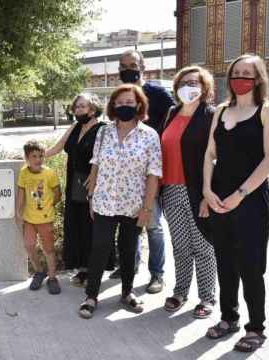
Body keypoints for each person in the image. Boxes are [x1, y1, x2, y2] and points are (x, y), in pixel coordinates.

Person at [203, 54, 269, 353]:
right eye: (236, 72)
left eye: (248, 73)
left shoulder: (268, 110)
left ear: (258, 78)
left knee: (250, 266)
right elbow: (210, 153)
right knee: (224, 263)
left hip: (250, 200)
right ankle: (228, 317)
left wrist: (240, 194)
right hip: (220, 198)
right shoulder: (221, 110)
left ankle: (255, 327)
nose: (241, 78)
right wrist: (208, 190)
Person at [79, 84, 162, 319]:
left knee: (128, 250)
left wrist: (147, 208)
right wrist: (92, 196)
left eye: (129, 102)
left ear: (138, 105)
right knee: (99, 249)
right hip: (105, 201)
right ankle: (91, 296)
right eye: (119, 102)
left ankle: (126, 293)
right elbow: (95, 163)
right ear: (113, 106)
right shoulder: (104, 132)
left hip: (133, 205)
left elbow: (153, 174)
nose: (124, 106)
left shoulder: (150, 136)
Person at [160, 66, 217, 318]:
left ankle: (207, 297)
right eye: (183, 82)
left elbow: (216, 158)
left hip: (198, 191)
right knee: (180, 245)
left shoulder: (211, 114)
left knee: (203, 247)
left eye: (194, 82)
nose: (188, 86)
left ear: (204, 87)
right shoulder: (172, 113)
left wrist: (209, 194)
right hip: (171, 190)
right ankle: (180, 291)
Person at [117, 49, 173, 293]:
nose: (127, 69)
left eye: (132, 64)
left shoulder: (158, 94)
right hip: (127, 172)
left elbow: (174, 118)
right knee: (129, 223)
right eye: (123, 65)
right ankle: (132, 264)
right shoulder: (121, 95)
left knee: (152, 224)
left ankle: (156, 274)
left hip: (151, 170)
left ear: (142, 66)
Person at [45, 94, 105, 287]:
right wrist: (32, 156)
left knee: (91, 227)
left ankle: (93, 270)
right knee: (77, 226)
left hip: (93, 184)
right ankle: (82, 269)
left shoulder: (103, 130)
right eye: (76, 107)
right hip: (73, 183)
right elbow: (56, 148)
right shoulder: (74, 127)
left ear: (93, 109)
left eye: (82, 106)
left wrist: (96, 180)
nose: (78, 110)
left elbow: (106, 159)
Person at [16, 140, 62, 294]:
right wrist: (18, 212)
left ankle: (52, 277)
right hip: (29, 219)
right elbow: (21, 193)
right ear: (27, 158)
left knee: (48, 249)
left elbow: (57, 194)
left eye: (41, 156)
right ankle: (39, 271)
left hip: (45, 219)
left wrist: (49, 206)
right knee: (29, 245)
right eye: (34, 156)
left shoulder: (49, 173)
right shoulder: (24, 173)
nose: (38, 159)